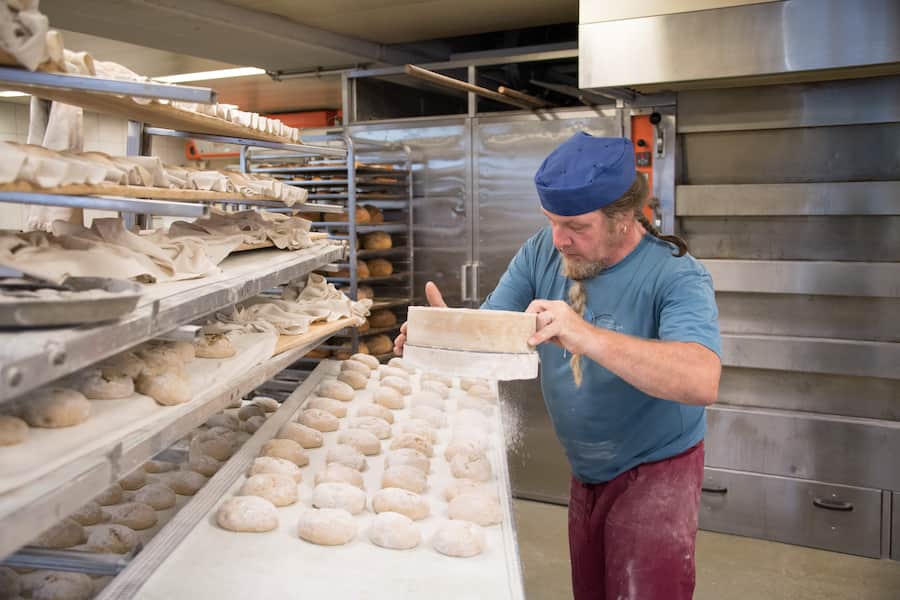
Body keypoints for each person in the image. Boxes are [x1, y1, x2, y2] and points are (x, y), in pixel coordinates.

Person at [394, 133, 721, 600]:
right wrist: (438, 338)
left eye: (575, 226)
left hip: (656, 470)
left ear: (624, 217)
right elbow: (495, 331)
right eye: (550, 222)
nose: (558, 240)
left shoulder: (675, 275)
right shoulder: (542, 252)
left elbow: (701, 378)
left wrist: (585, 335)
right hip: (586, 467)